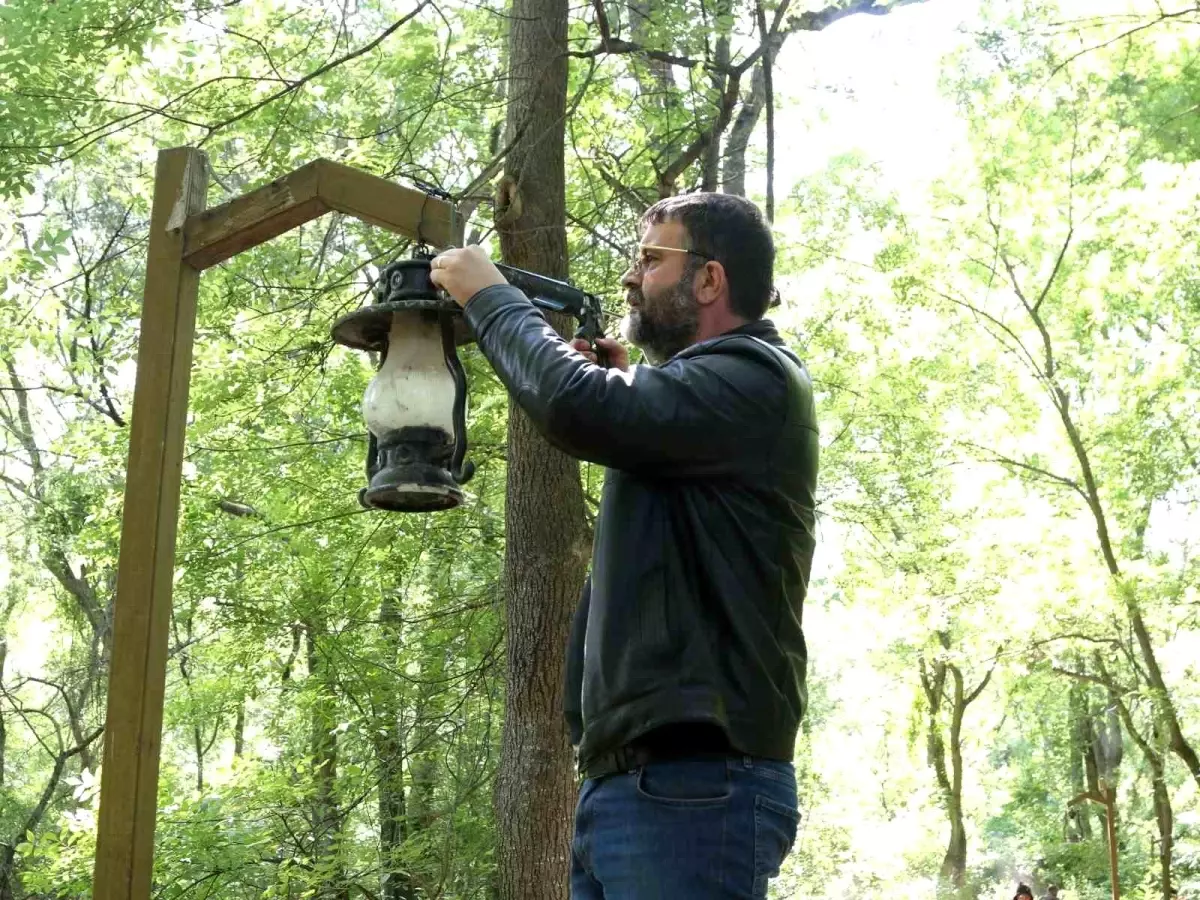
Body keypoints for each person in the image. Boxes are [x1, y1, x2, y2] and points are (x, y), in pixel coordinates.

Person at [431, 192, 819, 899]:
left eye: (649, 258)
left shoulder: (756, 377)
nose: (630, 278)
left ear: (709, 280)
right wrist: (625, 383)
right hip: (641, 789)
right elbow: (613, 412)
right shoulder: (714, 396)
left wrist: (489, 295)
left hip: (693, 788)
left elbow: (579, 405)